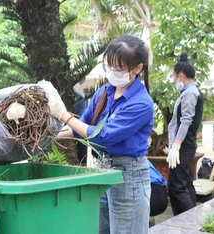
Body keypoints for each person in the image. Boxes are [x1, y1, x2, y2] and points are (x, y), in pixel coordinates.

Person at [49, 34, 154, 233]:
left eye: (120, 68)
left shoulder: (141, 104)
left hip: (128, 176)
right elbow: (82, 126)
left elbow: (101, 135)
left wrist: (63, 115)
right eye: (109, 66)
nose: (113, 72)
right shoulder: (105, 92)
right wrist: (49, 135)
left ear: (138, 68)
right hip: (103, 169)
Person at [166, 52, 203, 216]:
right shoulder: (189, 91)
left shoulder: (189, 93)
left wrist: (176, 145)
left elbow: (186, 121)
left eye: (174, 76)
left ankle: (189, 222)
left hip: (184, 146)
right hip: (184, 145)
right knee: (186, 183)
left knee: (176, 186)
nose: (173, 80)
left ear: (180, 76)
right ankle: (190, 223)